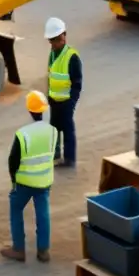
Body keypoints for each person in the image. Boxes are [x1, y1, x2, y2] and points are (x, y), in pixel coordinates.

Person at [1, 90, 58, 263]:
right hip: (44, 181)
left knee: (16, 209)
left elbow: (13, 160)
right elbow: (53, 153)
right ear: (44, 110)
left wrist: (14, 181)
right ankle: (43, 251)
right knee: (43, 213)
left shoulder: (23, 134)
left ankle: (19, 249)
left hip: (25, 182)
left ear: (29, 110)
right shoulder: (53, 131)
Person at [45, 16, 81, 168]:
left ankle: (69, 159)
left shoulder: (72, 57)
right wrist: (50, 96)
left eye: (57, 39)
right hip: (54, 100)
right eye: (52, 40)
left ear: (64, 36)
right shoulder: (52, 54)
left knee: (67, 131)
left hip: (66, 101)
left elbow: (77, 83)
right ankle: (55, 155)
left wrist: (71, 102)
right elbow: (51, 76)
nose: (54, 43)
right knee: (54, 130)